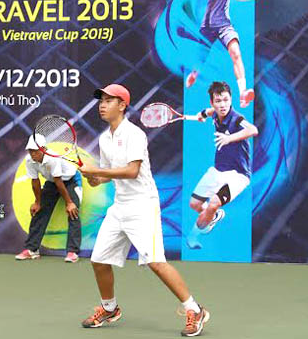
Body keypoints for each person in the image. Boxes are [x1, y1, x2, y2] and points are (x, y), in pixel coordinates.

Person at [79, 84, 210, 337]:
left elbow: (132, 171)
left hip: (143, 205)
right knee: (99, 260)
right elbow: (107, 174)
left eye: (108, 100)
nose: (102, 105)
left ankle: (195, 310)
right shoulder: (104, 139)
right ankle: (110, 308)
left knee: (156, 263)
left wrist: (96, 171)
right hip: (119, 207)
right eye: (101, 101)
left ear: (122, 105)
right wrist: (96, 179)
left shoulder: (135, 134)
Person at [186, 0, 262, 109]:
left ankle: (243, 93)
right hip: (209, 26)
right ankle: (194, 73)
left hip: (224, 25)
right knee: (201, 60)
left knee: (236, 53)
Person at [186, 81, 258, 249]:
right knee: (194, 204)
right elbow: (210, 111)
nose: (223, 105)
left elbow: (253, 130)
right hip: (218, 170)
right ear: (212, 102)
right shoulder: (216, 113)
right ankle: (213, 216)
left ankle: (193, 236)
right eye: (218, 101)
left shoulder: (236, 119)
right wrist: (202, 114)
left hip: (238, 175)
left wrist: (229, 138)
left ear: (231, 100)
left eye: (226, 100)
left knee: (213, 203)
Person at [15, 134, 82, 263]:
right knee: (39, 211)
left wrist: (69, 202)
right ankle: (32, 249)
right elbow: (35, 181)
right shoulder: (29, 160)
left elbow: (59, 182)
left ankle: (72, 252)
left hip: (71, 180)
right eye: (30, 150)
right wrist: (37, 202)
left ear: (44, 149)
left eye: (35, 151)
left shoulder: (52, 159)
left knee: (73, 212)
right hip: (52, 182)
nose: (32, 154)